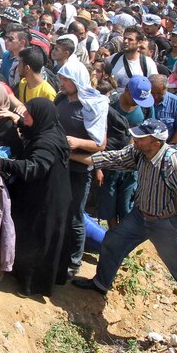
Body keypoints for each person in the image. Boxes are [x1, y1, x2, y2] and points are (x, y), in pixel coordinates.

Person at [70, 119, 177, 334]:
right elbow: (109, 158)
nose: (135, 140)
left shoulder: (175, 165)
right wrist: (71, 155)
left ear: (155, 143)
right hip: (140, 217)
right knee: (112, 241)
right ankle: (101, 284)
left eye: (140, 137)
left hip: (167, 223)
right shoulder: (139, 152)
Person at [0, 98, 72, 297]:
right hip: (51, 193)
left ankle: (31, 285)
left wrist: (2, 163)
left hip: (47, 199)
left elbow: (33, 167)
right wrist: (18, 120)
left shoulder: (45, 143)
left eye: (28, 114)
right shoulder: (52, 129)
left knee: (37, 239)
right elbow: (31, 129)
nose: (25, 116)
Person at [55, 60, 108, 277]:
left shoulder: (93, 104)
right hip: (59, 166)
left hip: (78, 170)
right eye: (61, 79)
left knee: (75, 215)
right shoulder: (61, 99)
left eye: (66, 79)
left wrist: (76, 143)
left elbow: (100, 144)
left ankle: (74, 260)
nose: (63, 83)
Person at [97, 76, 154, 230]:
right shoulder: (109, 104)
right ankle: (114, 233)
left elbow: (150, 130)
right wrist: (98, 167)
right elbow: (97, 134)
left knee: (127, 203)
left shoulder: (146, 107)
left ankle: (123, 234)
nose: (137, 103)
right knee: (108, 201)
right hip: (109, 163)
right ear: (127, 90)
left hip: (132, 165)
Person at [149, 74, 177, 144]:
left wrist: (170, 146)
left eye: (159, 93)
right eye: (152, 93)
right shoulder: (142, 101)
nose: (155, 97)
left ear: (166, 89)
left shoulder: (176, 102)